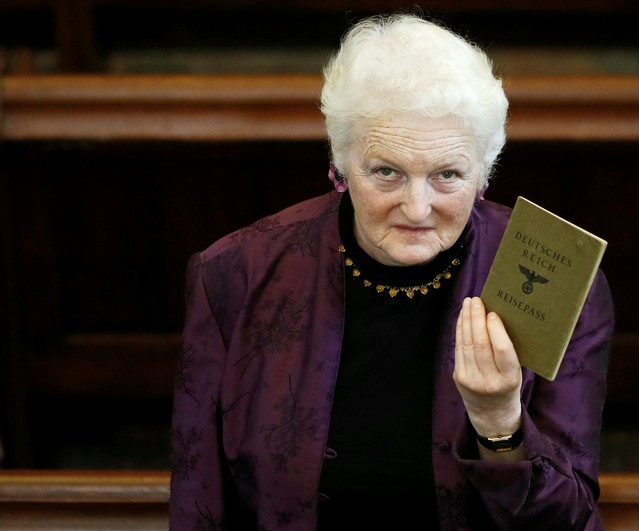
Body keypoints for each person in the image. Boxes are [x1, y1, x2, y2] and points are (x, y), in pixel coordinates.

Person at [169, 12, 614, 530]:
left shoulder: (559, 278)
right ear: (339, 166)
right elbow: (199, 503)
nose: (417, 208)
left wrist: (499, 423)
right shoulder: (234, 274)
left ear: (483, 177)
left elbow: (569, 521)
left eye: (448, 175)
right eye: (386, 172)